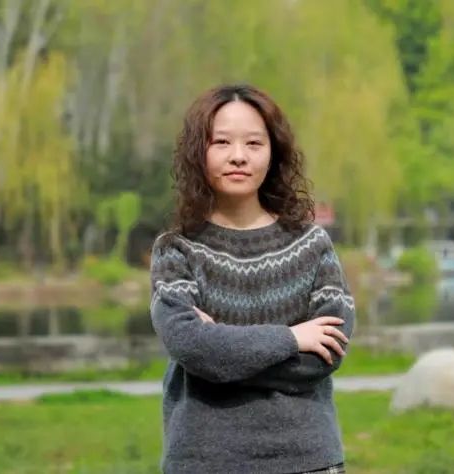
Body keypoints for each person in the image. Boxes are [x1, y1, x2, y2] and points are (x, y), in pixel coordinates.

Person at [150, 84, 356, 474]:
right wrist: (291, 338)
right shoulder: (176, 250)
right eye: (221, 142)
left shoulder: (311, 245)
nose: (238, 156)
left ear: (274, 152)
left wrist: (221, 349)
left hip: (306, 459)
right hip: (204, 461)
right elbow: (192, 347)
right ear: (198, 152)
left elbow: (325, 355)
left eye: (254, 143)